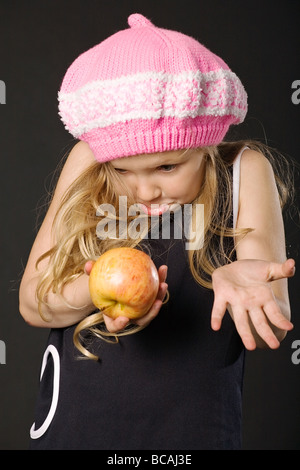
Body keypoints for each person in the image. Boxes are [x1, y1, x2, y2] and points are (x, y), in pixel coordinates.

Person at [19, 13, 295, 450]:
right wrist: (94, 290)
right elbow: (34, 306)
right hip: (78, 424)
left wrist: (248, 279)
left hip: (195, 430)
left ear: (206, 143)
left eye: (168, 166)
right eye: (123, 170)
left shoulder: (244, 171)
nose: (145, 189)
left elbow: (273, 323)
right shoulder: (89, 161)